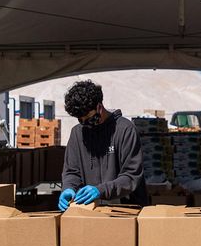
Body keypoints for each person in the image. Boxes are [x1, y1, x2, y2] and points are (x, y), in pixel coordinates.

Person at [59, 80, 147, 209]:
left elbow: (131, 175)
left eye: (89, 119)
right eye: (80, 120)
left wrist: (101, 191)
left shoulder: (125, 129)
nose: (86, 124)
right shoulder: (77, 133)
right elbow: (72, 172)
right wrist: (68, 188)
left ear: (99, 107)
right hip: (90, 210)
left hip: (126, 209)